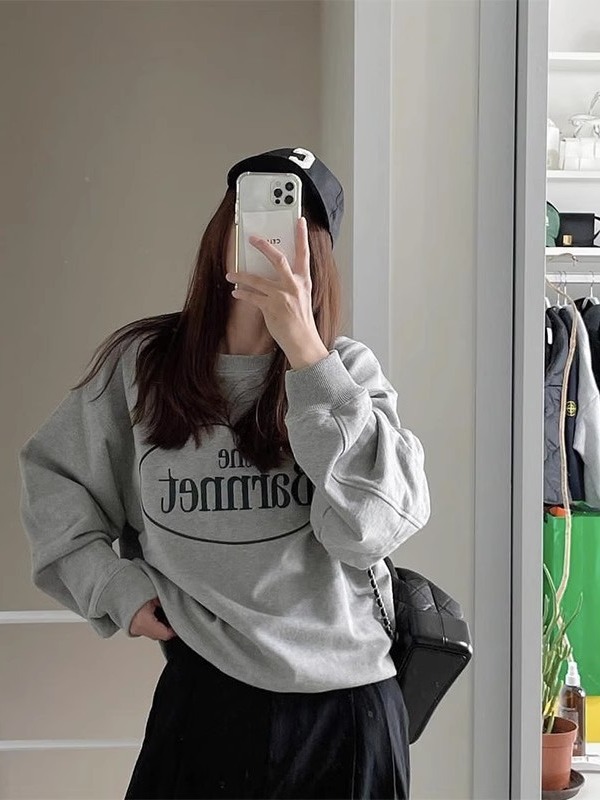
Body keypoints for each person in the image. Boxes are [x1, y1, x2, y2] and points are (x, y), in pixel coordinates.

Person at [18, 146, 431, 799]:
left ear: (318, 254)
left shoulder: (346, 373)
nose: (268, 238)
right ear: (222, 232)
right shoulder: (144, 368)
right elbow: (54, 481)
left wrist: (308, 357)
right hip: (204, 697)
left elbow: (371, 531)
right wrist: (116, 590)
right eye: (253, 213)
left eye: (292, 225)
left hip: (347, 708)